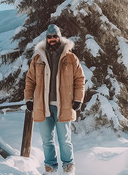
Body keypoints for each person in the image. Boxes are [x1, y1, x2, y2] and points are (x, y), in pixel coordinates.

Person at [24, 24, 85, 174]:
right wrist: (28, 100)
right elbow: (30, 80)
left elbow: (80, 79)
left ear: (59, 37)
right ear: (46, 39)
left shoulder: (70, 58)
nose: (52, 39)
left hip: (63, 104)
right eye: (49, 37)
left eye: (55, 36)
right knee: (47, 141)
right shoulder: (38, 58)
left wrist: (78, 99)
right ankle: (50, 168)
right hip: (42, 105)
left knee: (64, 140)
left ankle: (68, 168)